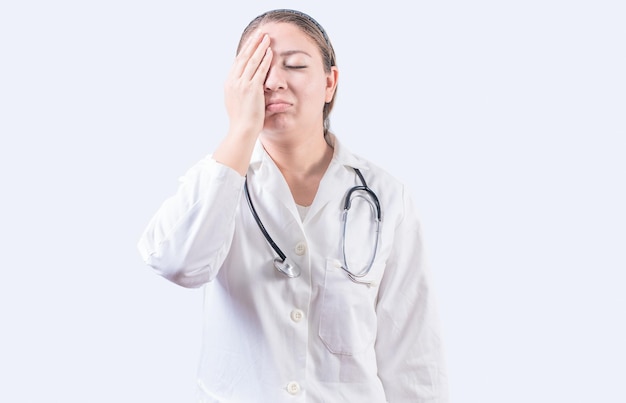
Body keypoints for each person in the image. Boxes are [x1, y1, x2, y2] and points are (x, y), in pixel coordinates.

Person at [138, 8, 448, 402]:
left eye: (295, 65)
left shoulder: (386, 196)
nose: (273, 82)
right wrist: (240, 131)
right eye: (258, 68)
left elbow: (413, 354)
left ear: (330, 82)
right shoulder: (217, 180)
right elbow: (177, 264)